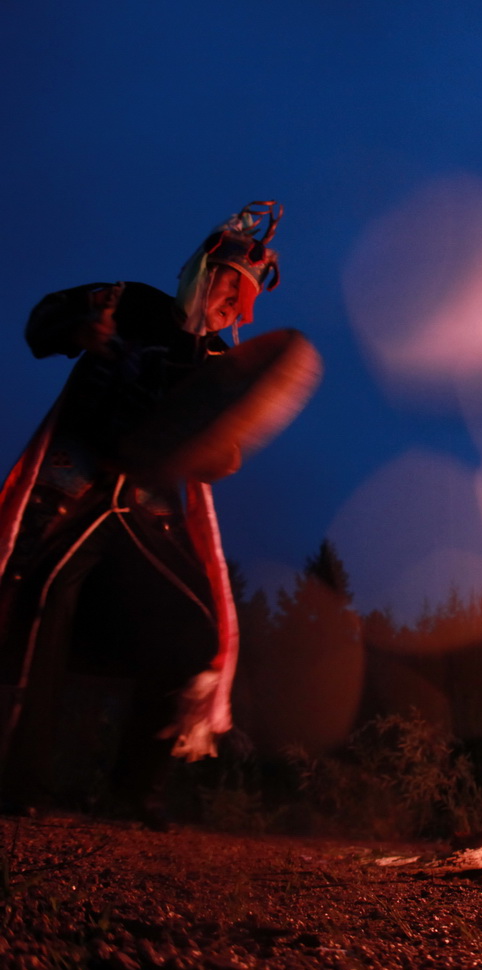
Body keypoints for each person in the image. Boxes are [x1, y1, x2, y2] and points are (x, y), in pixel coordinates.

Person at [0, 201, 283, 823]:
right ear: (204, 275)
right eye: (229, 290)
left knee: (195, 627)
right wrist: (80, 329)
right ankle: (15, 784)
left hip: (141, 513)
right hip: (68, 493)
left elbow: (212, 453)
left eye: (242, 304)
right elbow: (40, 323)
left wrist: (220, 447)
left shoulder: (214, 368)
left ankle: (134, 794)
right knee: (37, 607)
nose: (232, 308)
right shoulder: (130, 304)